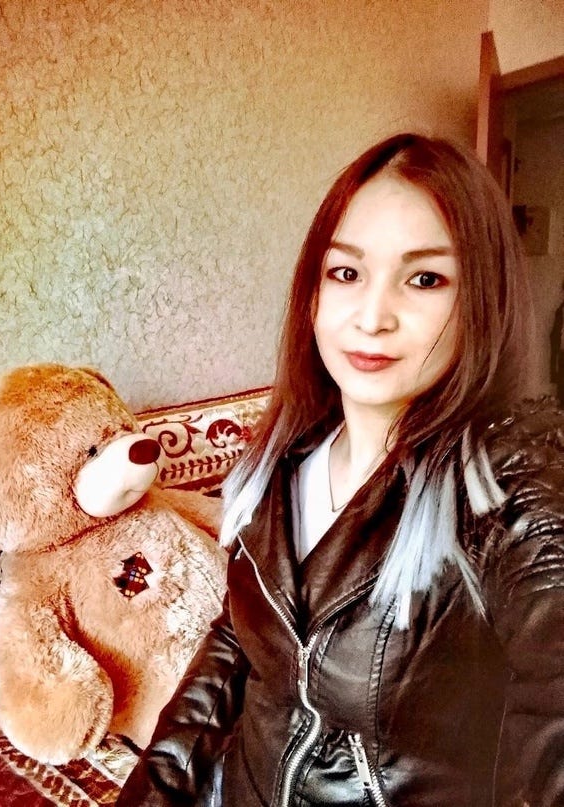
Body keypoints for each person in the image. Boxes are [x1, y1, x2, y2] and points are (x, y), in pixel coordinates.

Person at [118, 133, 564, 806]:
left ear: (482, 301)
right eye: (346, 273)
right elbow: (235, 643)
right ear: (312, 292)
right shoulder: (281, 458)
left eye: (424, 279)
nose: (371, 317)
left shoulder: (503, 489)